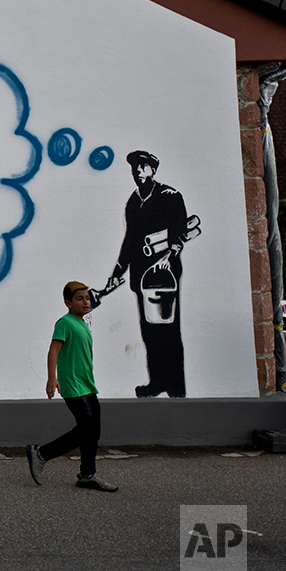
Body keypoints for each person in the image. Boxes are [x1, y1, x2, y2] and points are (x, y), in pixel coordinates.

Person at [96, 150, 192, 398]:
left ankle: (176, 386)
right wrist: (118, 271)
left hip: (164, 274)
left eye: (143, 166)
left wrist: (168, 257)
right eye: (135, 167)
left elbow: (181, 232)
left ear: (153, 170)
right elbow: (130, 240)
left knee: (168, 330)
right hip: (141, 276)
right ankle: (157, 380)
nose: (138, 170)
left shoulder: (169, 196)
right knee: (149, 331)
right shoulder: (133, 202)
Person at [26, 281, 118, 492]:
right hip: (73, 384)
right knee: (87, 429)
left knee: (93, 431)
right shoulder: (65, 323)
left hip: (87, 384)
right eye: (79, 299)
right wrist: (52, 377)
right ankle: (40, 455)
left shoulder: (82, 323)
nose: (86, 302)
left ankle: (87, 475)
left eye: (87, 298)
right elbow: (53, 350)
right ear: (68, 303)